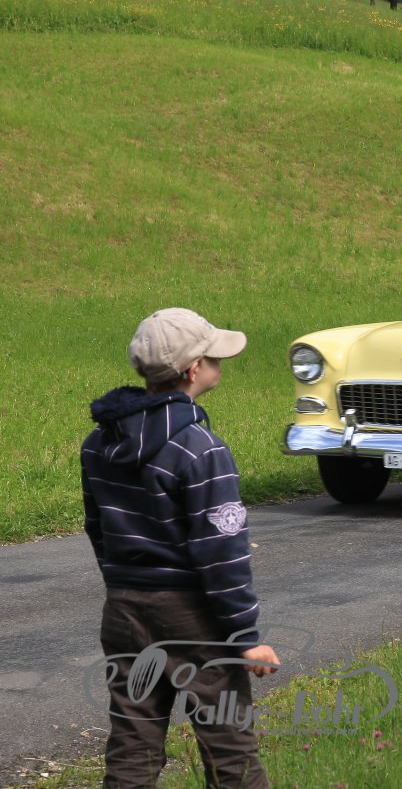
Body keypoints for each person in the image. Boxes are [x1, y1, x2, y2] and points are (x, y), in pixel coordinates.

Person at [82, 308, 279, 788]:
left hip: (124, 609)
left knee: (133, 741)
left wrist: (125, 586)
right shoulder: (200, 449)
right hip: (193, 617)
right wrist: (245, 636)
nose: (219, 364)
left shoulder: (97, 444)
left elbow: (98, 528)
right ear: (193, 370)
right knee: (228, 743)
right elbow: (222, 553)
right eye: (214, 357)